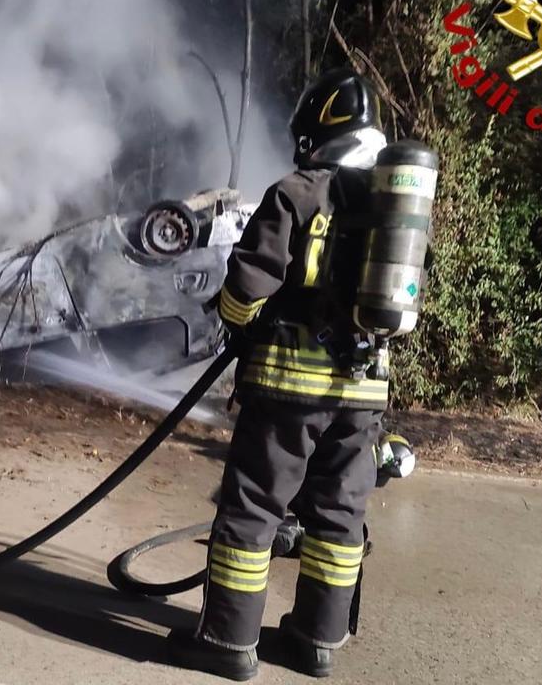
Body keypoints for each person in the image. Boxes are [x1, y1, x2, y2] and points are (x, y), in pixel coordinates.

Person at [167, 68, 404, 681]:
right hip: (364, 390)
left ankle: (227, 643)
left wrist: (235, 321)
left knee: (253, 506)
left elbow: (247, 287)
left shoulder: (297, 193)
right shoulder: (395, 202)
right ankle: (315, 642)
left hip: (290, 387)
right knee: (338, 513)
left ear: (315, 134)